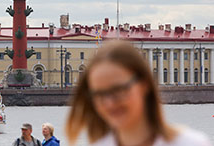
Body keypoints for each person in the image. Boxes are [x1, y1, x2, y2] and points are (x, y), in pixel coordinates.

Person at [65, 41, 212, 146]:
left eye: (118, 90)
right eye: (99, 94)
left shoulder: (191, 143)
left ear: (144, 84)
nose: (109, 102)